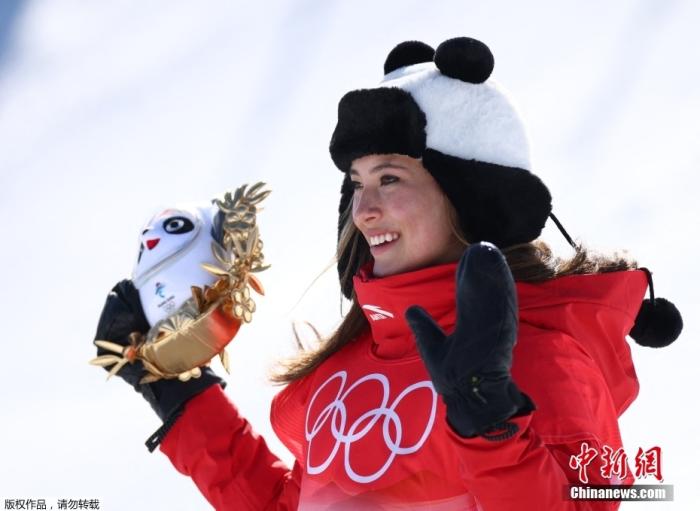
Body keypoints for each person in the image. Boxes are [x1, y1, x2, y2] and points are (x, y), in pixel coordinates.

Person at [93, 37, 683, 510]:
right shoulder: (342, 372)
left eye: (390, 178)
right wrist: (178, 393)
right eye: (357, 183)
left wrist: (493, 431)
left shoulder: (542, 356)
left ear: (467, 193)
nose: (364, 210)